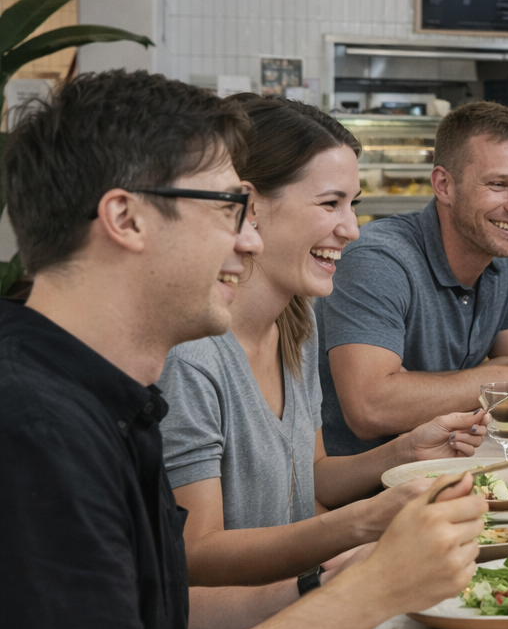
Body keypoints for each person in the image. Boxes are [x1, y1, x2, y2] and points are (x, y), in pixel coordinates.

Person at [0, 71, 485, 629]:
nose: (249, 241)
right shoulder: (32, 426)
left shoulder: (100, 393)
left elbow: (160, 624)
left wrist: (338, 580)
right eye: (230, 207)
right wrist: (367, 592)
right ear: (125, 218)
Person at [160, 96, 487, 588]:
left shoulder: (298, 323)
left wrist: (404, 453)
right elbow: (196, 555)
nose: (352, 230)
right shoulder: (191, 356)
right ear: (249, 207)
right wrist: (360, 525)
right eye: (329, 203)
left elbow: (308, 476)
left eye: (351, 205)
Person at [317, 101, 508, 456]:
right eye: (499, 184)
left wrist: (412, 388)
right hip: (363, 493)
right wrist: (505, 375)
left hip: (455, 467)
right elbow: (370, 408)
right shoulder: (379, 258)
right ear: (443, 185)